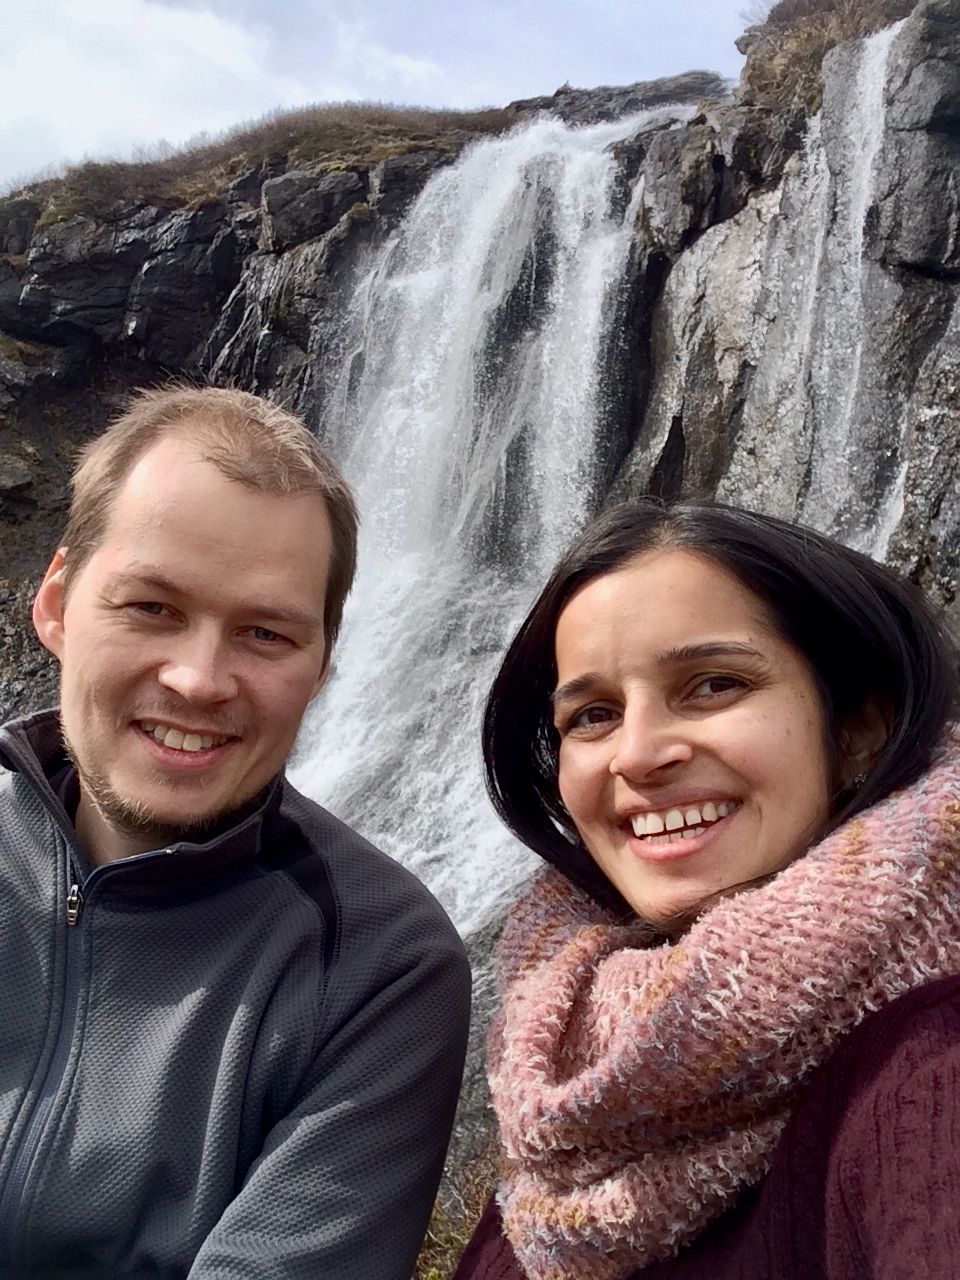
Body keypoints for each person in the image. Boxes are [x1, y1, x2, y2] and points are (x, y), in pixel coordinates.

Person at [0, 384, 471, 1279]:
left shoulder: (381, 968)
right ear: (56, 604)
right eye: (152, 608)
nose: (199, 679)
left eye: (263, 633)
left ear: (324, 664)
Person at [455, 498, 960, 1280]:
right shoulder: (569, 1098)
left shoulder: (932, 1059)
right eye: (592, 714)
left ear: (860, 726)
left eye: (714, 684)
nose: (639, 754)